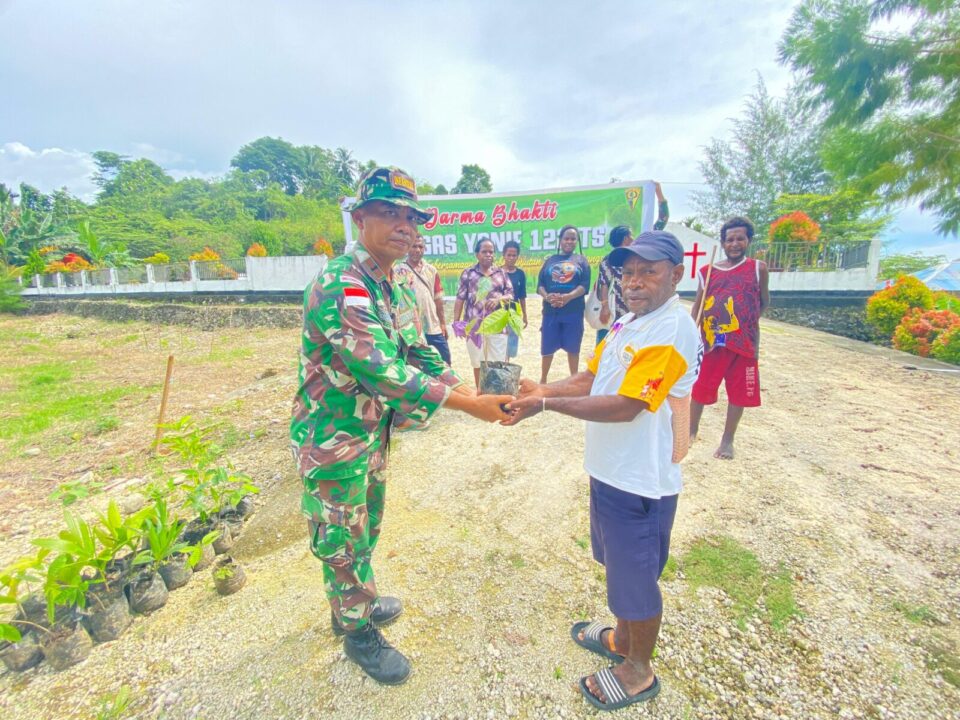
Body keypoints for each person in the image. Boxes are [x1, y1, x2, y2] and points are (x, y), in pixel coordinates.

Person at [290, 166, 514, 686]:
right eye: (389, 213)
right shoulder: (343, 284)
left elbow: (417, 351)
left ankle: (351, 601)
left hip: (368, 434)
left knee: (364, 523)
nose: (403, 226)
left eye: (411, 218)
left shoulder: (390, 284)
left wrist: (470, 389)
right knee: (341, 534)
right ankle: (355, 630)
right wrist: (467, 406)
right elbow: (381, 370)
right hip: (332, 441)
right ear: (360, 216)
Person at [506, 231, 702, 711]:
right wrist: (541, 389)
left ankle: (638, 669)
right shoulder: (628, 324)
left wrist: (546, 404)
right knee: (619, 568)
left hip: (641, 480)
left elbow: (628, 405)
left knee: (636, 577)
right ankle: (622, 639)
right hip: (611, 470)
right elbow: (590, 377)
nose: (634, 282)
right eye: (628, 272)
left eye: (648, 271)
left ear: (676, 275)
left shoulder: (672, 327)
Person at [689, 215, 769, 460]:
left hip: (744, 344)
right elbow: (698, 306)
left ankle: (727, 440)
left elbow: (763, 302)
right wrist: (692, 335)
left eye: (740, 239)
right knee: (700, 389)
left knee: (739, 392)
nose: (735, 243)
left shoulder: (758, 268)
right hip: (712, 343)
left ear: (748, 241)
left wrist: (746, 324)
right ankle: (691, 431)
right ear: (723, 243)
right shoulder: (707, 271)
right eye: (730, 239)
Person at [453, 238, 514, 387]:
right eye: (484, 252)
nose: (488, 255)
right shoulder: (468, 274)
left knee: (497, 364)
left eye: (491, 252)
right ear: (477, 254)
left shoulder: (502, 273)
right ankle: (480, 394)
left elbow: (511, 295)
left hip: (498, 327)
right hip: (475, 328)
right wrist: (457, 322)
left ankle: (495, 395)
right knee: (478, 363)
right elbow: (460, 298)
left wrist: (500, 299)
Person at [536, 225, 591, 382]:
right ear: (560, 240)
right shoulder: (550, 261)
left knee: (573, 347)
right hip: (550, 312)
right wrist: (547, 296)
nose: (569, 241)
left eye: (573, 239)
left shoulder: (582, 261)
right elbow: (540, 285)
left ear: (577, 241)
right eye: (566, 238)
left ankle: (573, 380)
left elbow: (584, 285)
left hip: (573, 312)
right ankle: (543, 380)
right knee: (547, 348)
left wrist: (568, 297)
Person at [394, 234, 451, 364]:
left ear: (424, 249)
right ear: (408, 248)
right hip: (410, 327)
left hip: (432, 325)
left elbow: (438, 299)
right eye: (414, 246)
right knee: (416, 364)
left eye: (420, 247)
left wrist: (442, 323)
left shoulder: (431, 270)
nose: (417, 250)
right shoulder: (398, 271)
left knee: (444, 360)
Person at [594, 225, 634, 345]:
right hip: (614, 309)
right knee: (608, 339)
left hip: (628, 308)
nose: (633, 238)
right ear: (625, 239)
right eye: (631, 235)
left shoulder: (633, 257)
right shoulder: (610, 259)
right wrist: (605, 307)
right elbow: (604, 283)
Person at [501, 239, 528, 360]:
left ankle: (507, 365)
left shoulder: (520, 274)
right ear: (503, 255)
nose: (511, 258)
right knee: (501, 341)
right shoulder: (497, 272)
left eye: (514, 255)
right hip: (499, 313)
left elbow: (522, 296)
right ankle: (502, 364)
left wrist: (525, 315)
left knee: (512, 342)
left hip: (514, 313)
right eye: (509, 255)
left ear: (517, 256)